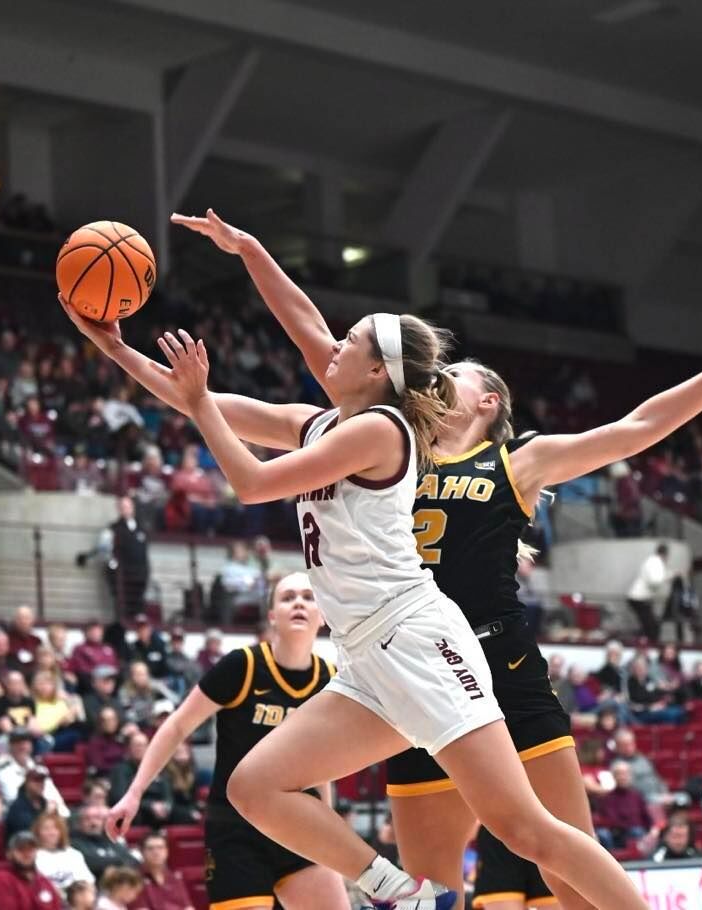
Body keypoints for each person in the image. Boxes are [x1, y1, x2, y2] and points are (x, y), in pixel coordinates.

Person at [154, 209, 702, 909]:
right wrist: (249, 251)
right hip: (403, 667)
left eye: (454, 375)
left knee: (553, 859)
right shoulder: (385, 436)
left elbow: (637, 427)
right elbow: (317, 338)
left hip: (496, 663)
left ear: (488, 400)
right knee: (432, 883)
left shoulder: (517, 462)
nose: (439, 379)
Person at [68, 292, 660, 906]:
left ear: (379, 371)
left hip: (418, 641)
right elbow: (204, 405)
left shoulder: (381, 430)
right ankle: (401, 893)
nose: (335, 345)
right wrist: (113, 345)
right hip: (364, 655)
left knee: (527, 831)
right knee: (255, 787)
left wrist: (196, 400)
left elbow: (252, 483)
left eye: (350, 341)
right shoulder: (321, 424)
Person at [106, 572, 346, 910]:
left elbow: (320, 764)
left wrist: (329, 824)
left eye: (308, 597)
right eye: (287, 597)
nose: (298, 603)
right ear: (271, 616)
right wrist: (133, 794)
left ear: (323, 615)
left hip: (299, 825)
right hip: (236, 830)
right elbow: (177, 726)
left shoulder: (330, 678)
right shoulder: (242, 666)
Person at [0, 831, 63, 910]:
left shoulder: (43, 881)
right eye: (21, 849)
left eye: (30, 849)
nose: (26, 853)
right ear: (9, 854)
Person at [32, 813, 93, 893]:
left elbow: (88, 882)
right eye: (46, 829)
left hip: (76, 899)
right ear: (37, 832)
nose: (51, 833)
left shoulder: (73, 854)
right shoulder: (32, 856)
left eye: (55, 828)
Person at [133, 832, 193, 910]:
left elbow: (188, 907)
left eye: (160, 848)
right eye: (150, 848)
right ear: (141, 852)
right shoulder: (134, 878)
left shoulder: (175, 876)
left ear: (167, 851)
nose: (156, 852)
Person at [626, 544, 671, 642]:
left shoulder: (651, 561)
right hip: (639, 598)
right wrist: (669, 577)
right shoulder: (657, 562)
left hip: (637, 597)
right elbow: (655, 580)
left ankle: (644, 639)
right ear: (665, 555)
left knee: (648, 624)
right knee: (652, 627)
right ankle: (651, 644)